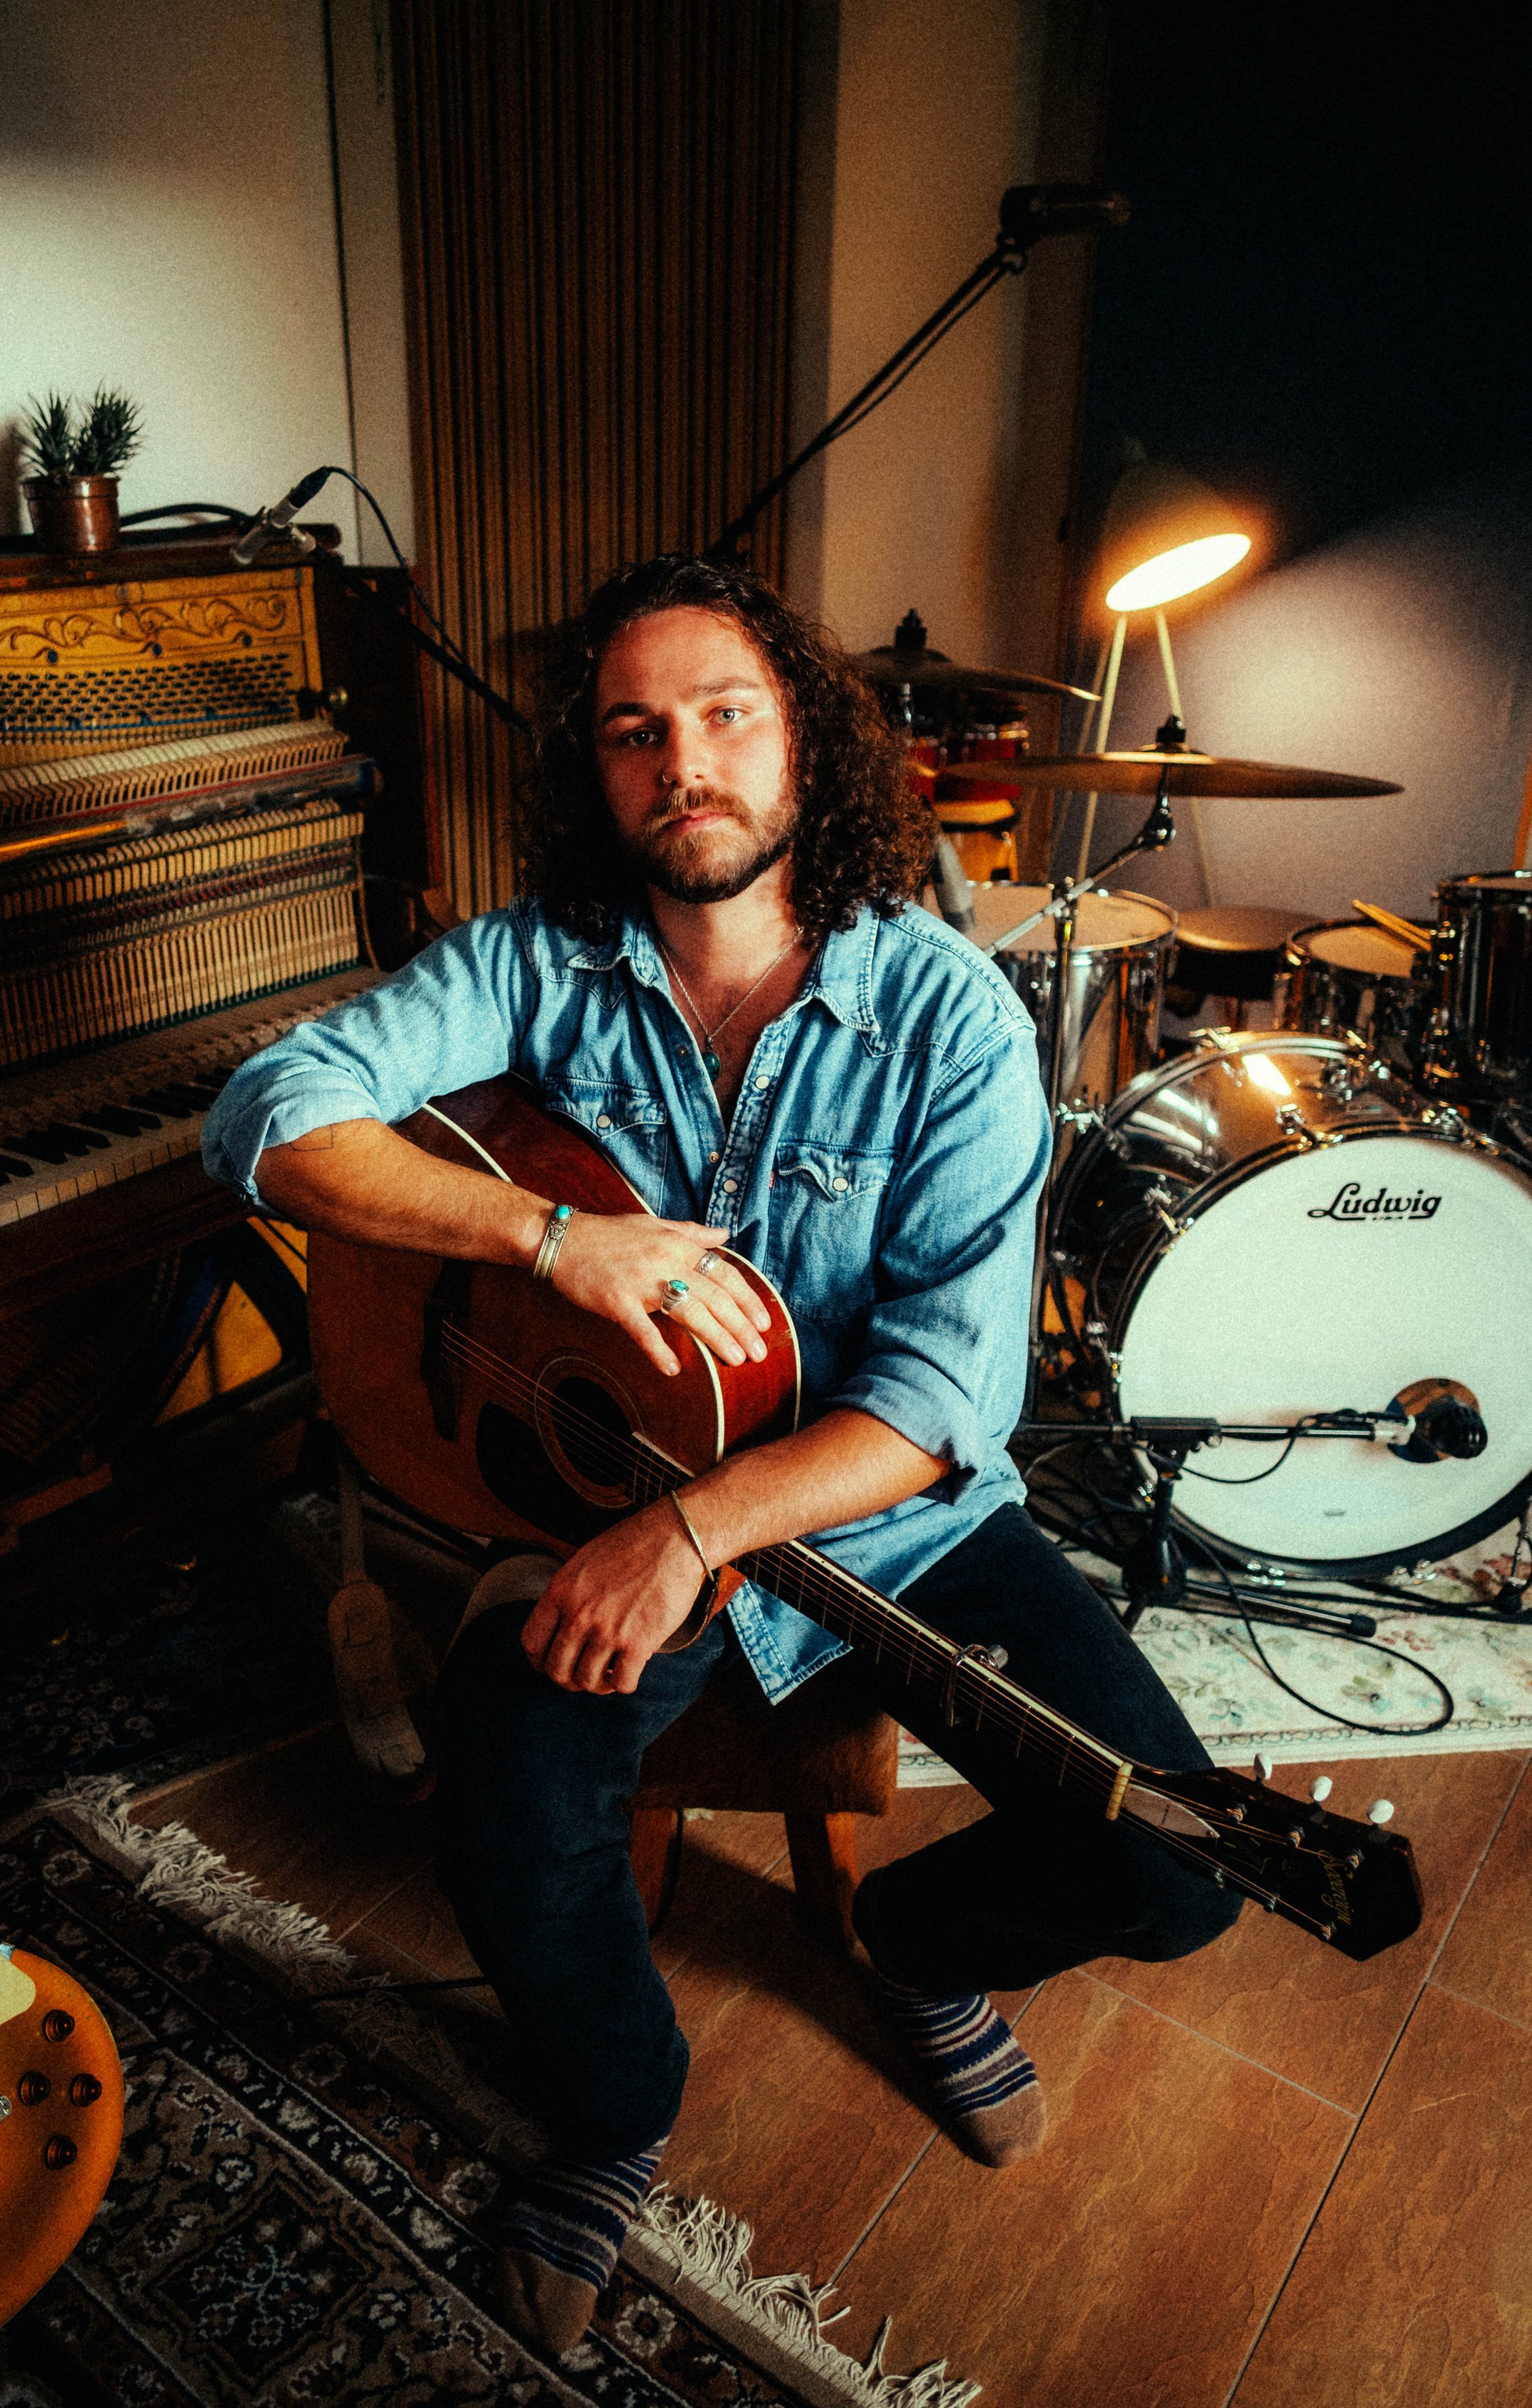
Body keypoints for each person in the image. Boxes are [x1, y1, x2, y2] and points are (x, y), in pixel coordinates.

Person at [202, 554, 1240, 2359]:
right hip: (608, 1499)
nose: (680, 762)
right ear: (590, 773)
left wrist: (694, 1530)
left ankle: (911, 1950)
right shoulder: (533, 964)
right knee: (506, 1823)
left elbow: (939, 1401)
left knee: (1176, 1865)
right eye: (631, 731)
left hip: (888, 1521)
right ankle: (613, 2113)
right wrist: (541, 1239)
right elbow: (265, 1116)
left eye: (723, 716)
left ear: (805, 747)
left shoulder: (948, 1020)